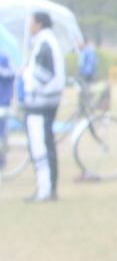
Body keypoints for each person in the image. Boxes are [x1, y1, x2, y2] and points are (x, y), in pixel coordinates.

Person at [22, 11, 65, 202]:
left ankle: (45, 189)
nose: (29, 26)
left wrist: (26, 73)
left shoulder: (45, 44)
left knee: (40, 146)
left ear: (39, 25)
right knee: (47, 144)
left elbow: (42, 76)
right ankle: (48, 188)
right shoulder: (49, 42)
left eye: (31, 22)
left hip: (41, 103)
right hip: (47, 102)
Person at [0, 47, 14, 173]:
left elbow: (12, 74)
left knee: (1, 132)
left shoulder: (4, 55)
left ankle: (1, 160)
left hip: (2, 101)